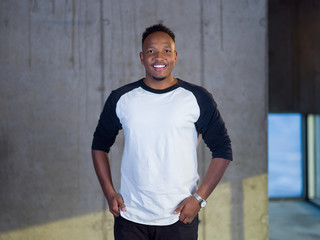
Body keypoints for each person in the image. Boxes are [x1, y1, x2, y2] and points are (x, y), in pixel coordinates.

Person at [91, 24, 232, 240]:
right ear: (141, 57)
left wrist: (199, 199)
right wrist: (110, 193)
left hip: (179, 217)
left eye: (166, 51)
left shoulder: (196, 98)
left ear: (175, 56)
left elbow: (223, 150)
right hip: (130, 217)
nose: (159, 57)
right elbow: (100, 146)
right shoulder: (122, 98)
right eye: (151, 51)